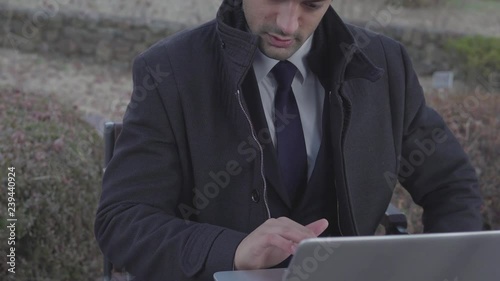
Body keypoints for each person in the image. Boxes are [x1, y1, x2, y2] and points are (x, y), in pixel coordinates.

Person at [94, 0, 483, 280]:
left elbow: (451, 187)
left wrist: (441, 270)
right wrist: (233, 251)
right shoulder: (169, 71)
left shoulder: (387, 64)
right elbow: (123, 220)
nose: (287, 23)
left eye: (311, 4)